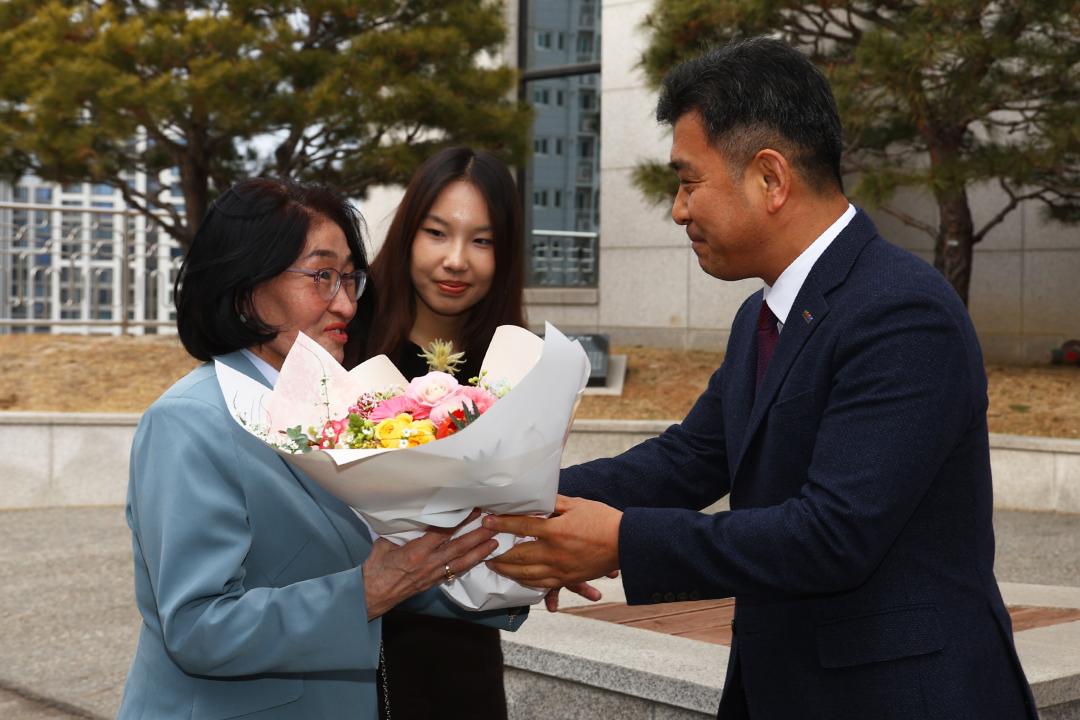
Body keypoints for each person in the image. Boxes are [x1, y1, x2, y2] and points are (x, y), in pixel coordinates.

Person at [485, 37, 1038, 719]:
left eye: (689, 183)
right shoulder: (762, 315)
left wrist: (619, 540)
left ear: (770, 179)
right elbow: (690, 459)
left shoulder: (901, 311)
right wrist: (507, 501)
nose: (679, 210)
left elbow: (831, 535)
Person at [118, 177, 526, 720]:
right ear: (245, 286)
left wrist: (515, 569)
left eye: (350, 278)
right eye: (322, 276)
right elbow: (197, 628)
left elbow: (387, 569)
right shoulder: (191, 421)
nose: (347, 304)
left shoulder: (328, 406)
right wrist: (365, 592)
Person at [344, 146, 527, 720]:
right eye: (437, 233)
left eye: (482, 241)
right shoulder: (343, 337)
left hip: (456, 648)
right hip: (338, 637)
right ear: (407, 234)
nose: (455, 260)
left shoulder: (514, 363)